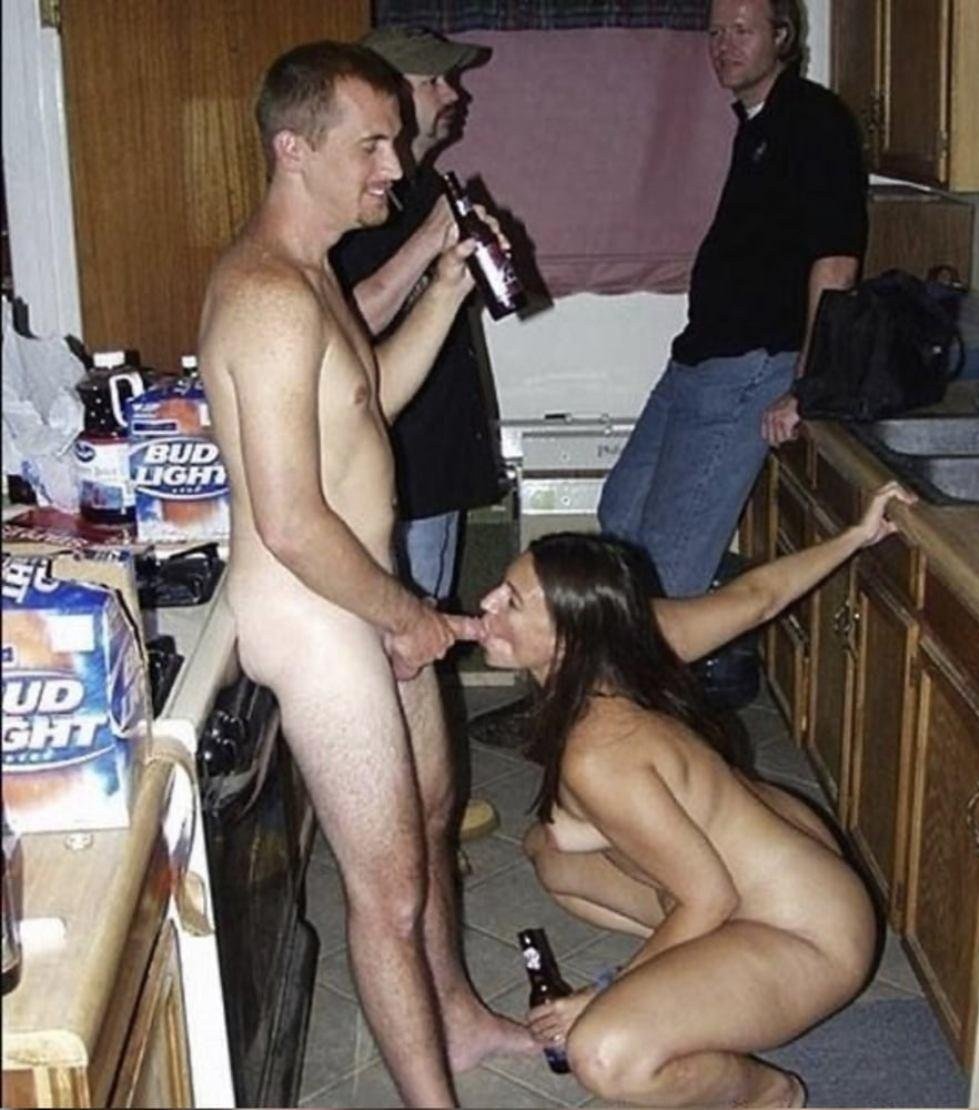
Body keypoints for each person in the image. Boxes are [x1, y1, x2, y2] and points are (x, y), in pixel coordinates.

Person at [197, 42, 532, 1108]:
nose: (395, 166)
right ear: (293, 149)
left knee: (430, 817)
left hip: (365, 592)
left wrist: (446, 288)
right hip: (316, 617)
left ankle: (458, 1022)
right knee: (386, 894)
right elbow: (292, 522)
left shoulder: (313, 271)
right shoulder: (265, 295)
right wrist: (404, 615)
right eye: (372, 145)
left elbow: (365, 400)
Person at [467, 481, 915, 1107]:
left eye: (511, 602)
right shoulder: (626, 638)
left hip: (812, 933)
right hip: (785, 862)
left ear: (569, 637)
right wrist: (856, 536)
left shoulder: (597, 753)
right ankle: (696, 979)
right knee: (550, 851)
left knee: (605, 1052)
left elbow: (707, 897)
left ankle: (771, 1095)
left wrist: (605, 993)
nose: (487, 602)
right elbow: (755, 598)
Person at [598, 0, 868, 598]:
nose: (724, 45)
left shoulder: (815, 121)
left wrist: (807, 385)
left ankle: (673, 654)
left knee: (669, 567)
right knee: (619, 516)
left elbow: (836, 263)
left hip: (749, 369)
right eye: (716, 33)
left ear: (782, 36)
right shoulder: (758, 123)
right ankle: (656, 646)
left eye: (742, 30)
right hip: (698, 358)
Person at [329, 27, 501, 604]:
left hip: (438, 457)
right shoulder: (356, 203)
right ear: (390, 95)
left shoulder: (426, 188)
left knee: (432, 612)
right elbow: (343, 323)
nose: (454, 94)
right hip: (396, 462)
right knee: (404, 628)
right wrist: (429, 241)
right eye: (435, 81)